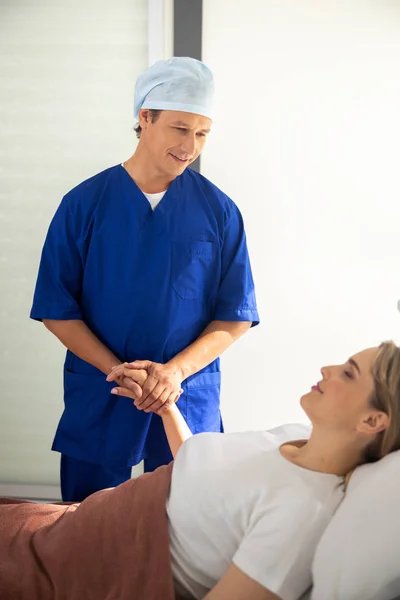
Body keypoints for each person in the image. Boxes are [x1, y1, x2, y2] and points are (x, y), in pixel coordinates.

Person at [1, 342, 399, 600]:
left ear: (373, 421)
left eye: (349, 372)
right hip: (85, 522)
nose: (328, 367)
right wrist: (164, 408)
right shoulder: (295, 436)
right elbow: (204, 472)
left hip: (102, 562)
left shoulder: (301, 515)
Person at [29, 57, 260, 501]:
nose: (190, 146)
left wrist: (172, 374)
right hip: (104, 388)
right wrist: (116, 370)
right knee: (85, 529)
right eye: (180, 128)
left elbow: (235, 316)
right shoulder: (83, 204)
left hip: (186, 393)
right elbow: (57, 309)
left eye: (202, 133)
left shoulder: (220, 211)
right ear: (145, 117)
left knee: (185, 527)